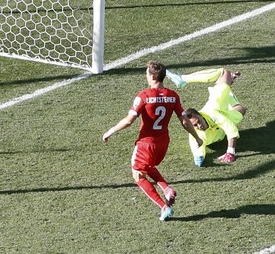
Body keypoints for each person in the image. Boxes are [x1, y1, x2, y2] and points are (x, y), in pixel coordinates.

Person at [102, 61, 203, 221]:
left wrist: (111, 130)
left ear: (153, 76)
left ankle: (164, 207)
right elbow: (184, 121)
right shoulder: (173, 96)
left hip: (146, 144)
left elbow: (129, 121)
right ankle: (167, 189)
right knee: (147, 166)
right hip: (163, 143)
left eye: (147, 74)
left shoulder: (144, 96)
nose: (146, 76)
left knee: (138, 175)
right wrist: (197, 137)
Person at [166, 68, 246, 166]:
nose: (199, 126)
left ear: (201, 115)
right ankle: (228, 82)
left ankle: (183, 79)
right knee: (241, 109)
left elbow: (231, 129)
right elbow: (198, 154)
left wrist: (230, 152)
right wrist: (199, 159)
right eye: (195, 125)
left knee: (224, 73)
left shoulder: (212, 114)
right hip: (221, 125)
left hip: (217, 104)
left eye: (199, 121)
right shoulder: (195, 135)